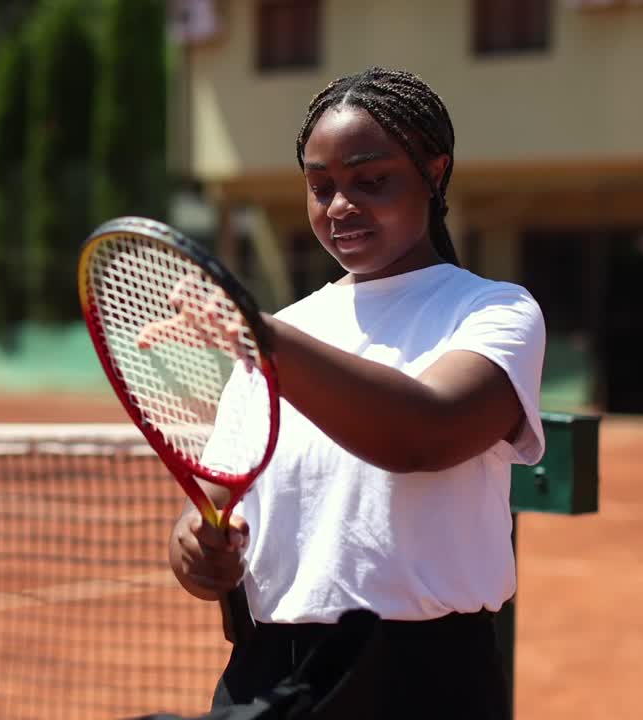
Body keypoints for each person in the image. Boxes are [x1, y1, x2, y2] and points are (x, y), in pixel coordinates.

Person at [166, 67, 547, 719]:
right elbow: (221, 504)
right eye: (321, 187)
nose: (341, 205)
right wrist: (195, 551)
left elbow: (423, 434)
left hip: (424, 679)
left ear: (434, 171)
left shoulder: (493, 312)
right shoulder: (278, 335)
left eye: (371, 181)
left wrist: (265, 341)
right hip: (268, 675)